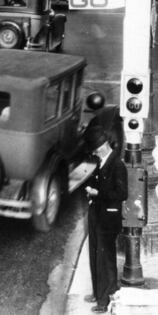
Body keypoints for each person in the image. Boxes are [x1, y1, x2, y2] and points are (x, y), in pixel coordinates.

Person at [84, 125, 128, 313]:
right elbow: (96, 180)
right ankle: (97, 291)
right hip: (97, 213)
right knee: (95, 253)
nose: (94, 153)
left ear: (102, 146)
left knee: (104, 259)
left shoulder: (117, 165)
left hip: (108, 217)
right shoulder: (101, 161)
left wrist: (97, 192)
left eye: (95, 149)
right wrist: (91, 190)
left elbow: (122, 193)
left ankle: (103, 302)